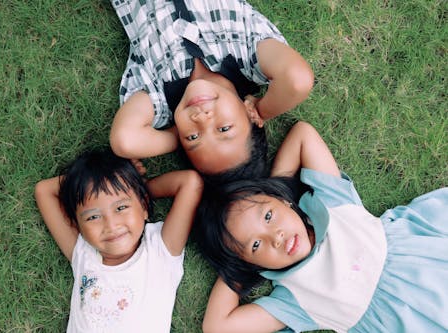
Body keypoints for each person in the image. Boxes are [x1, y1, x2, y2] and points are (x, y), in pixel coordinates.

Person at [194, 121, 448, 332]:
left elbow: (303, 134)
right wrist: (236, 270)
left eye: (269, 216)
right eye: (256, 244)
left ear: (284, 203)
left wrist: (276, 188)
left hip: (429, 268)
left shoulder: (332, 205)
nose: (276, 237)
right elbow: (217, 327)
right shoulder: (293, 299)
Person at [109, 0, 314, 182]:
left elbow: (124, 140)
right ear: (250, 118)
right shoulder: (247, 56)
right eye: (224, 129)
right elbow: (297, 81)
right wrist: (261, 109)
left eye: (193, 137)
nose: (202, 119)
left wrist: (178, 135)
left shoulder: (159, 94)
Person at [34, 149, 203, 332]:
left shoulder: (160, 249)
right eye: (93, 217)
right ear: (78, 225)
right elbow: (44, 191)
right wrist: (88, 180)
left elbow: (190, 183)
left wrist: (134, 186)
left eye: (121, 207)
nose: (111, 225)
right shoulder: (83, 253)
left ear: (144, 206)